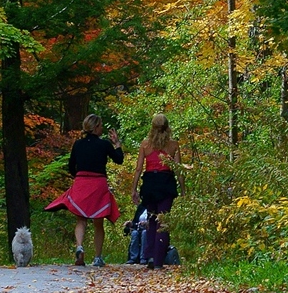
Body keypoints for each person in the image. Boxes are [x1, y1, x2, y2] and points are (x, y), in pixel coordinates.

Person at [45, 114, 124, 267]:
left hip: (81, 182)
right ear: (95, 127)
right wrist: (117, 143)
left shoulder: (78, 144)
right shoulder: (104, 144)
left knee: (81, 219)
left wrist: (79, 177)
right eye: (100, 126)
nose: (101, 128)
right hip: (98, 183)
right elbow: (119, 159)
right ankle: (97, 257)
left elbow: (70, 166)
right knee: (98, 221)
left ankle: (79, 246)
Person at [131, 113, 184, 270]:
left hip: (150, 183)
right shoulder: (173, 145)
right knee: (163, 221)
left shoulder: (145, 145)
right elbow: (178, 170)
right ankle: (159, 259)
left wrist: (134, 189)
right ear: (168, 127)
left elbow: (139, 168)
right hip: (166, 183)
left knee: (152, 219)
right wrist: (183, 189)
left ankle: (150, 256)